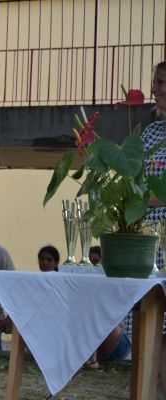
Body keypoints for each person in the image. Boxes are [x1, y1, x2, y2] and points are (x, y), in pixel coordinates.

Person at [141, 60, 166, 398]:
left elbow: (145, 192)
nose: (154, 89)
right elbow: (136, 183)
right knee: (154, 327)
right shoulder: (148, 135)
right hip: (150, 243)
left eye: (161, 82)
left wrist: (147, 197)